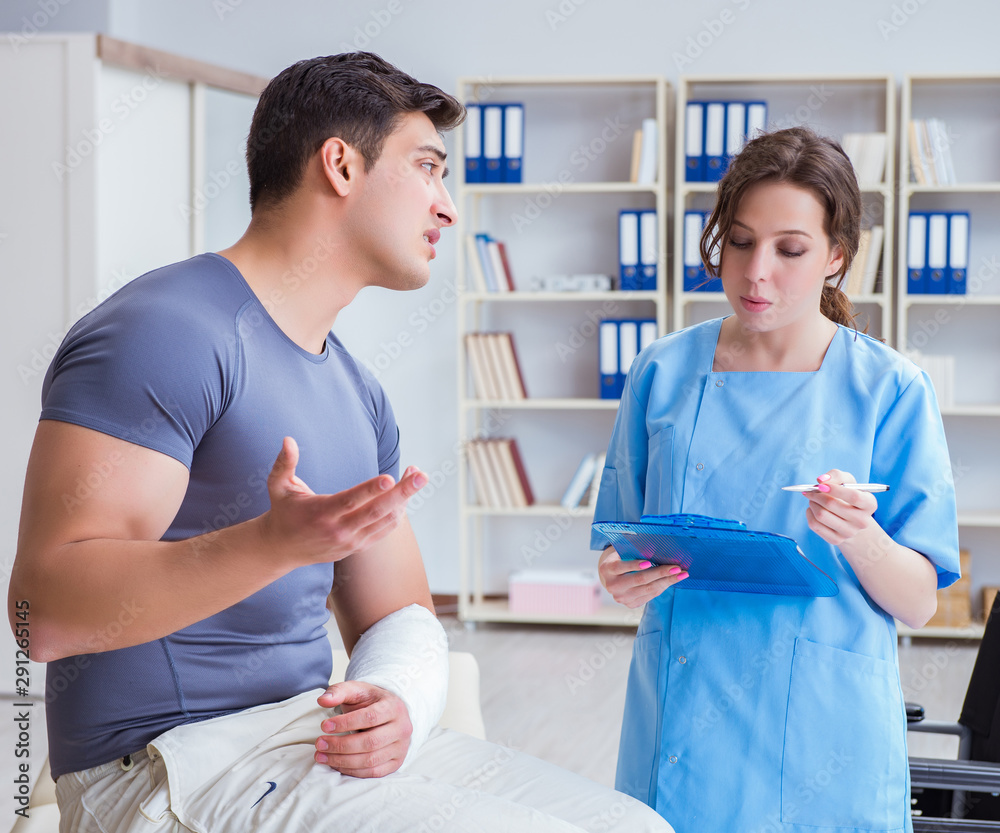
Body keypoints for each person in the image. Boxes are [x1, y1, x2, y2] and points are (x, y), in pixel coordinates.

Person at [9, 52, 671, 833]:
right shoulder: (166, 331)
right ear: (341, 164)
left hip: (302, 735)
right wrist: (269, 544)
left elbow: (400, 611)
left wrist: (395, 694)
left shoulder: (356, 389)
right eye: (428, 168)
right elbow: (40, 614)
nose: (448, 207)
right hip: (169, 765)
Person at [592, 126, 960, 832]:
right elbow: (622, 548)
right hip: (682, 715)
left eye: (790, 249)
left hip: (824, 724)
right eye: (739, 241)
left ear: (837, 256)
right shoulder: (662, 372)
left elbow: (919, 603)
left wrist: (862, 537)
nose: (757, 271)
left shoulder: (890, 388)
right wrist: (620, 576)